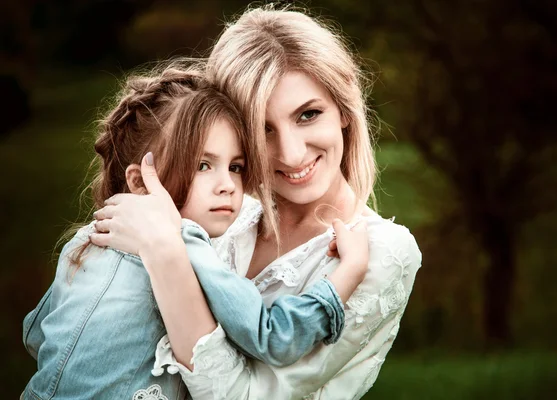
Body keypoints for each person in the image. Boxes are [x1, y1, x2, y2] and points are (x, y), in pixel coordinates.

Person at [91, 4, 423, 399]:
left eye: (308, 115)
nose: (292, 153)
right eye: (260, 129)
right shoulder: (225, 204)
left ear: (344, 108)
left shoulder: (383, 252)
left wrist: (165, 253)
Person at [22, 66, 370, 400]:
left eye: (236, 167)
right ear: (141, 182)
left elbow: (37, 335)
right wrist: (346, 276)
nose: (228, 187)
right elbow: (272, 336)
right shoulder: (184, 241)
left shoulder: (87, 238)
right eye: (203, 165)